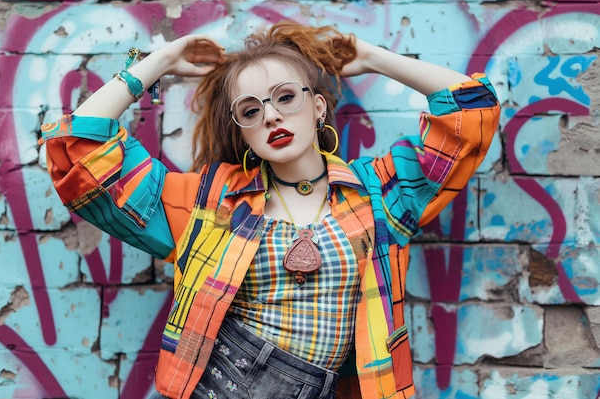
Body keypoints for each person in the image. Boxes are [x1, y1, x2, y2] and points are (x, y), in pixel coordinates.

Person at [40, 21, 500, 399]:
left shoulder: (379, 194)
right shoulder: (209, 203)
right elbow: (77, 151)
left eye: (285, 97)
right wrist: (155, 64)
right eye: (251, 110)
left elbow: (469, 109)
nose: (272, 116)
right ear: (243, 132)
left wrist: (375, 58)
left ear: (317, 106)